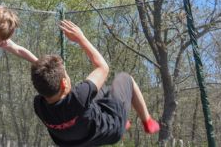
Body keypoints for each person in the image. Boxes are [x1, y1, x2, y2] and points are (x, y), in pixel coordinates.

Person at [30, 20, 160, 146]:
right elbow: (103, 67)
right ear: (64, 83)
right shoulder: (79, 97)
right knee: (125, 79)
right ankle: (147, 121)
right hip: (111, 131)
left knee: (104, 90)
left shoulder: (39, 106)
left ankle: (121, 115)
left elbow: (42, 80)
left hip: (72, 143)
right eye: (66, 74)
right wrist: (81, 38)